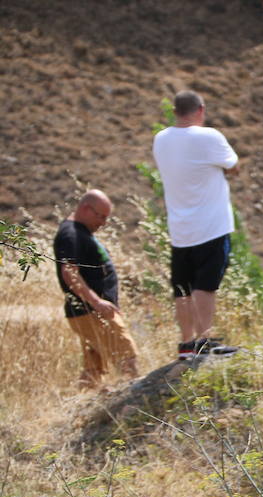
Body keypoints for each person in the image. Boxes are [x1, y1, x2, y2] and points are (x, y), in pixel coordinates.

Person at [152, 90, 240, 360]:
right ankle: (205, 340)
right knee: (205, 285)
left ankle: (187, 344)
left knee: (182, 287)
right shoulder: (209, 137)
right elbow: (233, 166)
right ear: (200, 110)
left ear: (176, 111)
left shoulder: (161, 139)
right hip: (210, 225)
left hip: (180, 227)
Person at [53, 189, 139, 391]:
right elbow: (69, 273)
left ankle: (80, 411)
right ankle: (134, 408)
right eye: (100, 216)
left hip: (91, 312)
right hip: (92, 312)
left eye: (106, 218)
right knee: (128, 358)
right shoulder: (70, 233)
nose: (103, 222)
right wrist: (97, 302)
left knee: (93, 368)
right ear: (84, 208)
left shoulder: (80, 233)